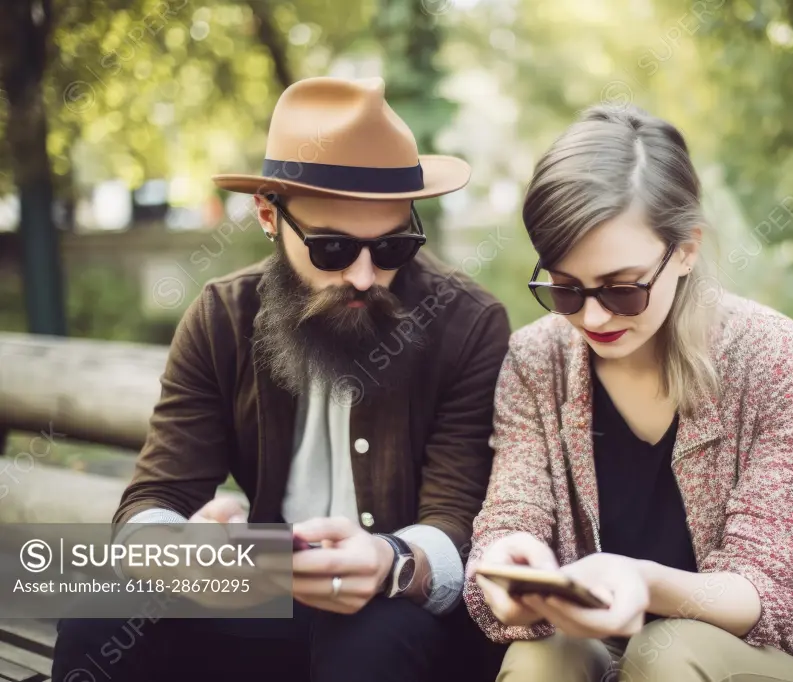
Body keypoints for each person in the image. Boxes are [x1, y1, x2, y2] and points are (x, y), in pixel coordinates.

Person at [53, 76, 511, 682]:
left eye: (395, 246)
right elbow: (154, 497)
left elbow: (457, 518)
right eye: (332, 249)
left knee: (375, 641)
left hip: (398, 612)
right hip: (258, 593)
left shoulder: (469, 324)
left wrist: (391, 560)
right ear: (270, 215)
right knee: (98, 615)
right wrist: (179, 551)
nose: (367, 276)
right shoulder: (223, 315)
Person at [463, 104, 793, 682]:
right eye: (565, 290)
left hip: (752, 656)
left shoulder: (775, 356)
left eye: (622, 289)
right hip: (600, 642)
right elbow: (510, 515)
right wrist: (504, 571)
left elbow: (766, 587)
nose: (593, 317)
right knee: (539, 658)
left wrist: (642, 582)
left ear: (688, 248)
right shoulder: (535, 359)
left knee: (665, 654)